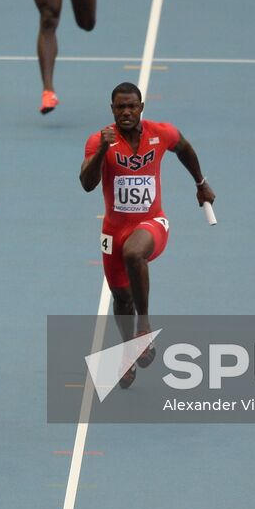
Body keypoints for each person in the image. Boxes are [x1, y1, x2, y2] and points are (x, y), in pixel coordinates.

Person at [79, 82, 213, 389]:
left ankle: (145, 324)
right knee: (121, 298)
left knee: (134, 252)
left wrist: (201, 183)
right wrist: (102, 148)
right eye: (120, 107)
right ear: (112, 110)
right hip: (113, 231)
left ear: (141, 107)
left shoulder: (161, 133)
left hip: (152, 223)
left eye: (132, 106)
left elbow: (185, 149)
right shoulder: (99, 140)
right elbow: (87, 183)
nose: (126, 112)